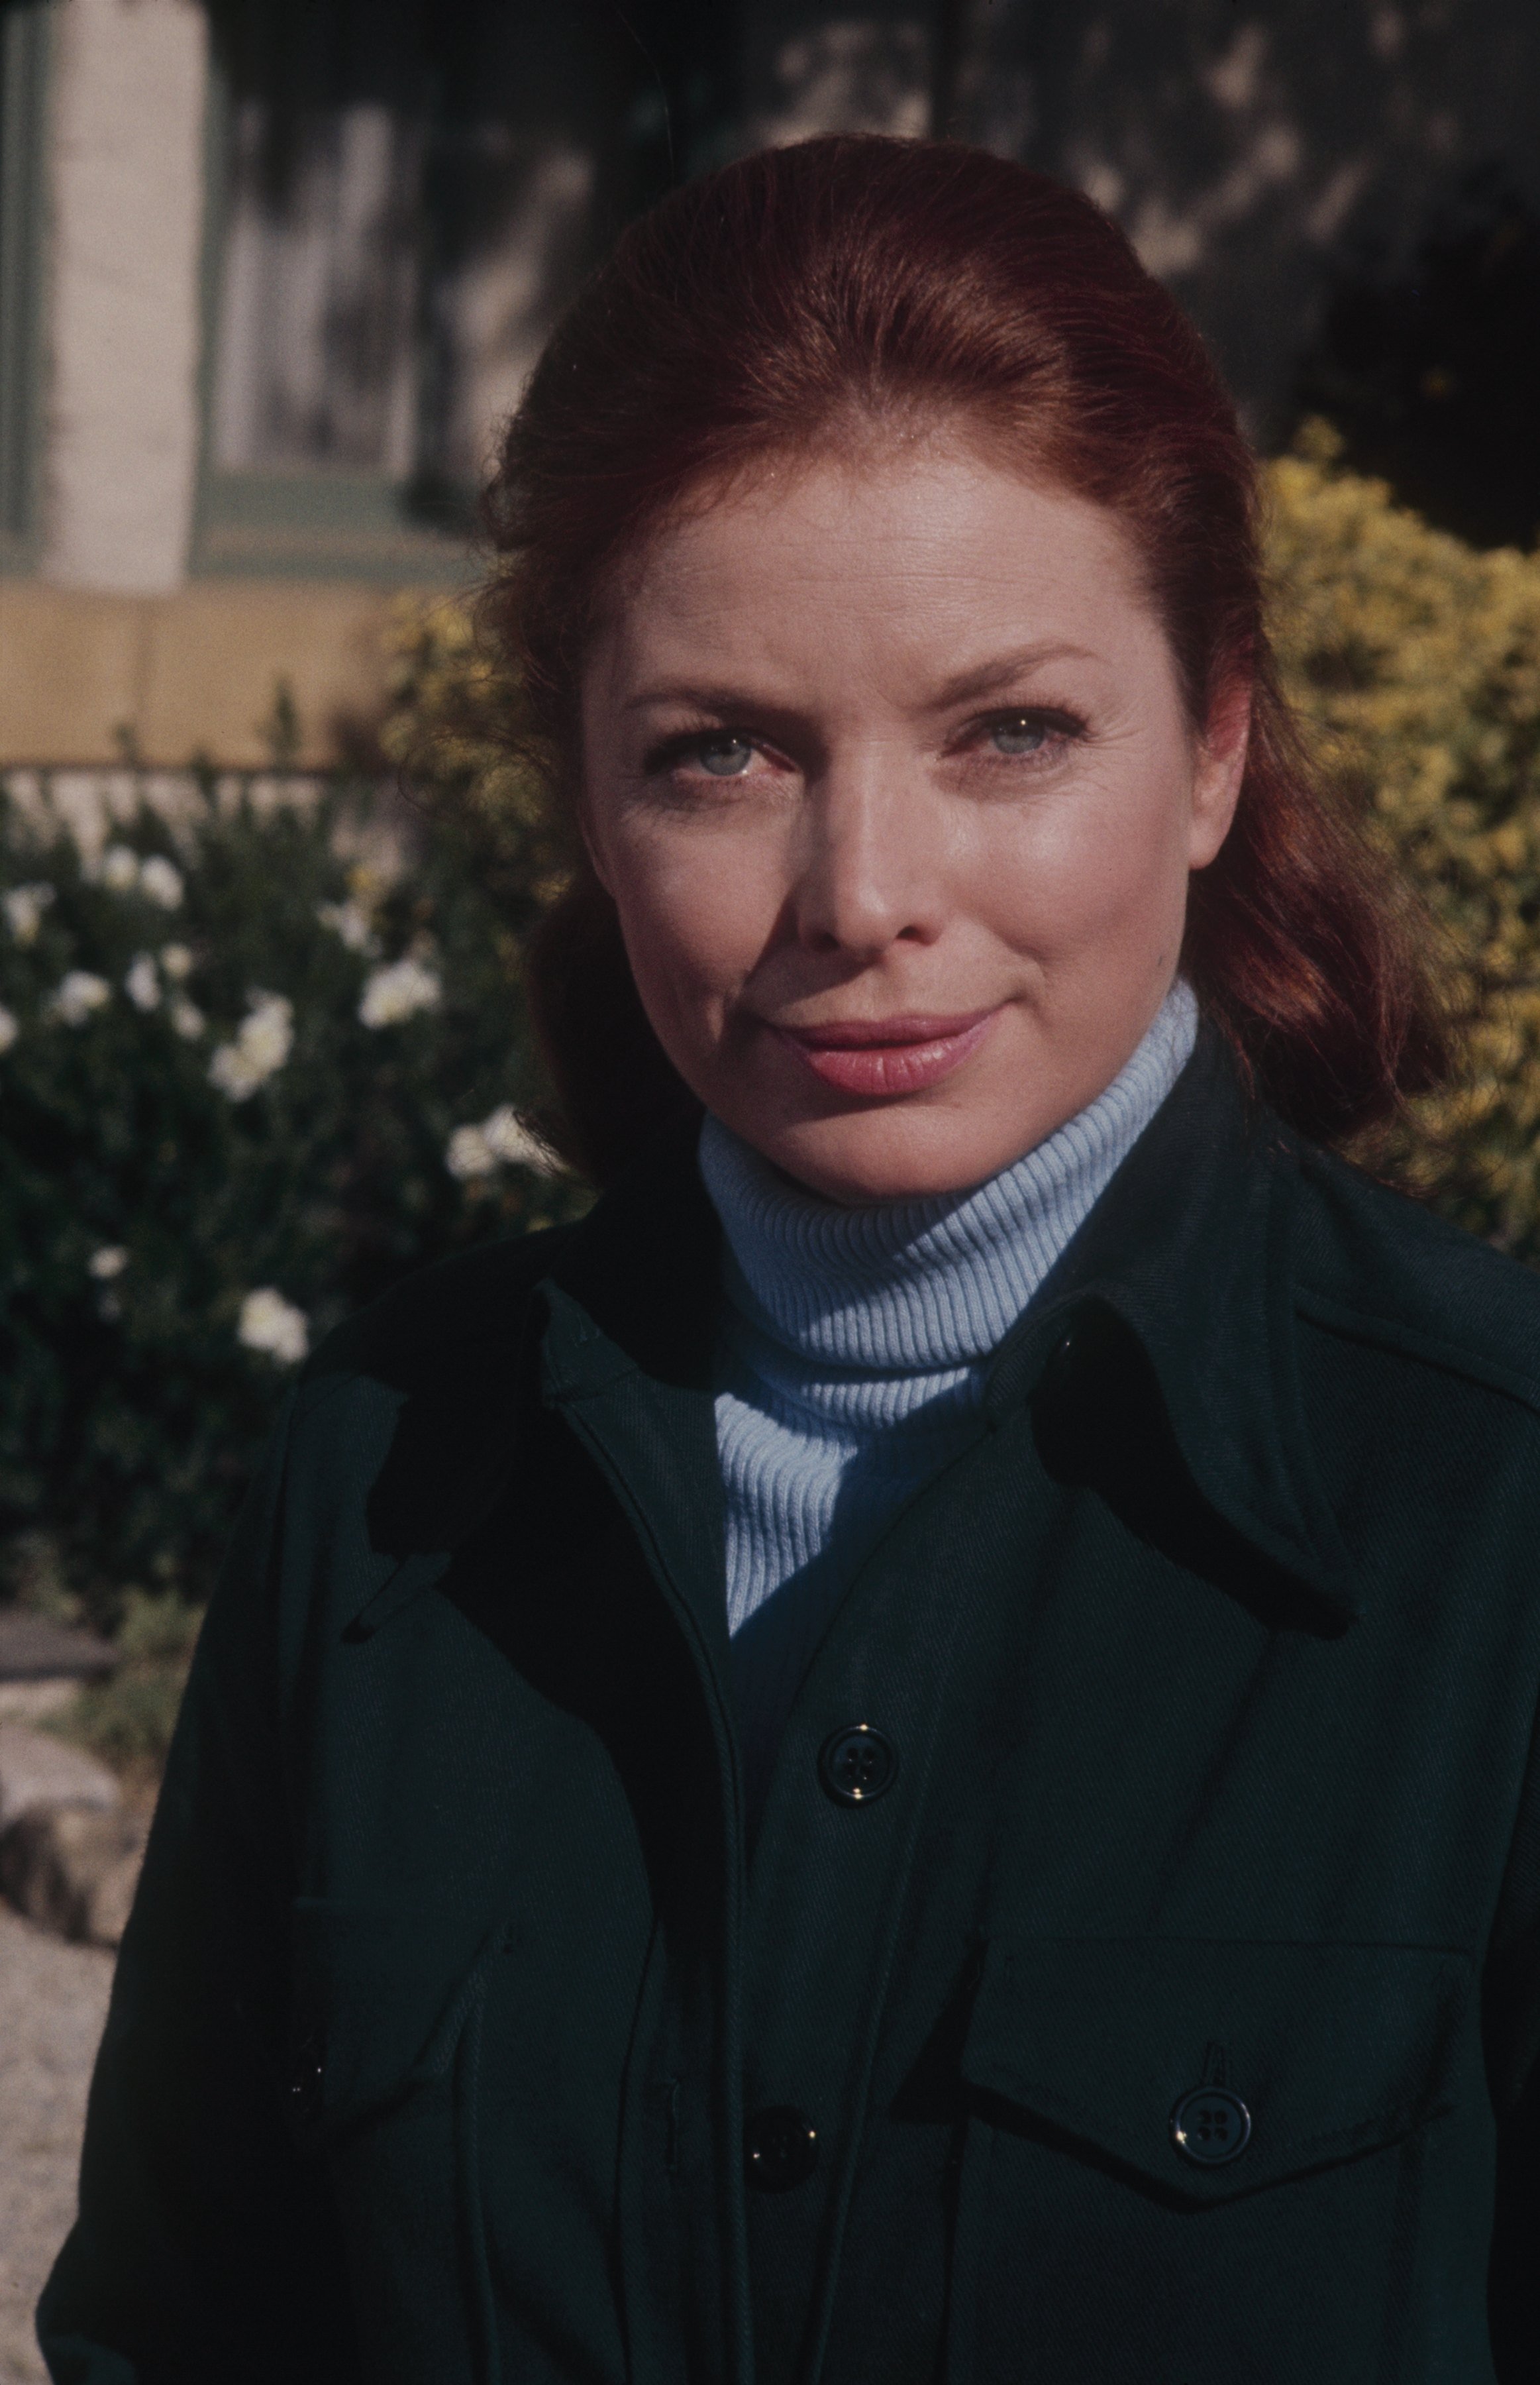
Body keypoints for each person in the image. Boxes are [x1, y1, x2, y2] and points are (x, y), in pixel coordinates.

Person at [39, 136, 1540, 2385]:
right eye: (722, 754)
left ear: (1215, 744)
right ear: (583, 792)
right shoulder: (379, 1476)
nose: (864, 888)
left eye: (1008, 731)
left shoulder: (1500, 1517)